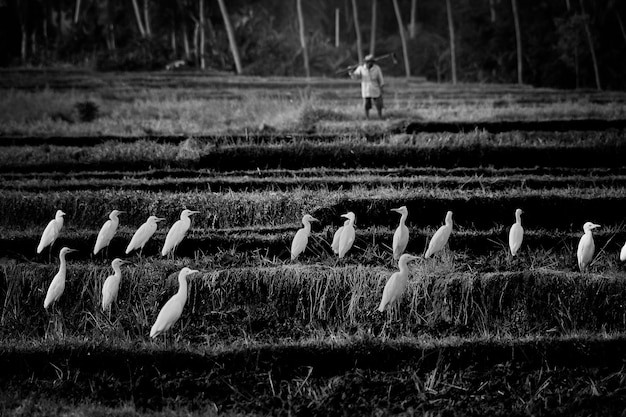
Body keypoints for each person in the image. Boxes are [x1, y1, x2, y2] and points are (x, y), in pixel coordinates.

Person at [349, 54, 385, 119]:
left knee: (379, 105)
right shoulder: (361, 68)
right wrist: (351, 72)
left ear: (373, 62)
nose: (369, 63)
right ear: (366, 62)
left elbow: (381, 78)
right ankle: (367, 118)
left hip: (375, 89)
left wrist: (382, 87)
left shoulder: (377, 68)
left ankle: (380, 117)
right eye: (368, 62)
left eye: (371, 62)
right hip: (366, 89)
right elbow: (356, 77)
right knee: (366, 105)